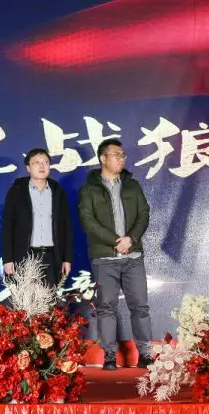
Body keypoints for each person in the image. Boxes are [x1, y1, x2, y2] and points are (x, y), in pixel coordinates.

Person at [77, 139, 153, 370]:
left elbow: (144, 213)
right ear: (103, 159)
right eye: (116, 155)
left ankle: (146, 354)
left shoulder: (132, 186)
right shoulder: (89, 189)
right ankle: (109, 355)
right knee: (106, 307)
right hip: (105, 258)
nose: (121, 158)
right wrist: (115, 241)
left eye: (123, 155)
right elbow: (88, 221)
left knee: (140, 307)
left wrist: (131, 239)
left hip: (133, 256)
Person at [1, 148, 73, 287]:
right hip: (24, 256)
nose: (42, 166)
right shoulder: (17, 191)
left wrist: (67, 259)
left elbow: (66, 227)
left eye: (46, 162)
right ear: (28, 168)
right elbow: (7, 226)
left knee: (49, 297)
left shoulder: (58, 192)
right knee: (25, 299)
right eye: (36, 163)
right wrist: (8, 259)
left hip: (50, 256)